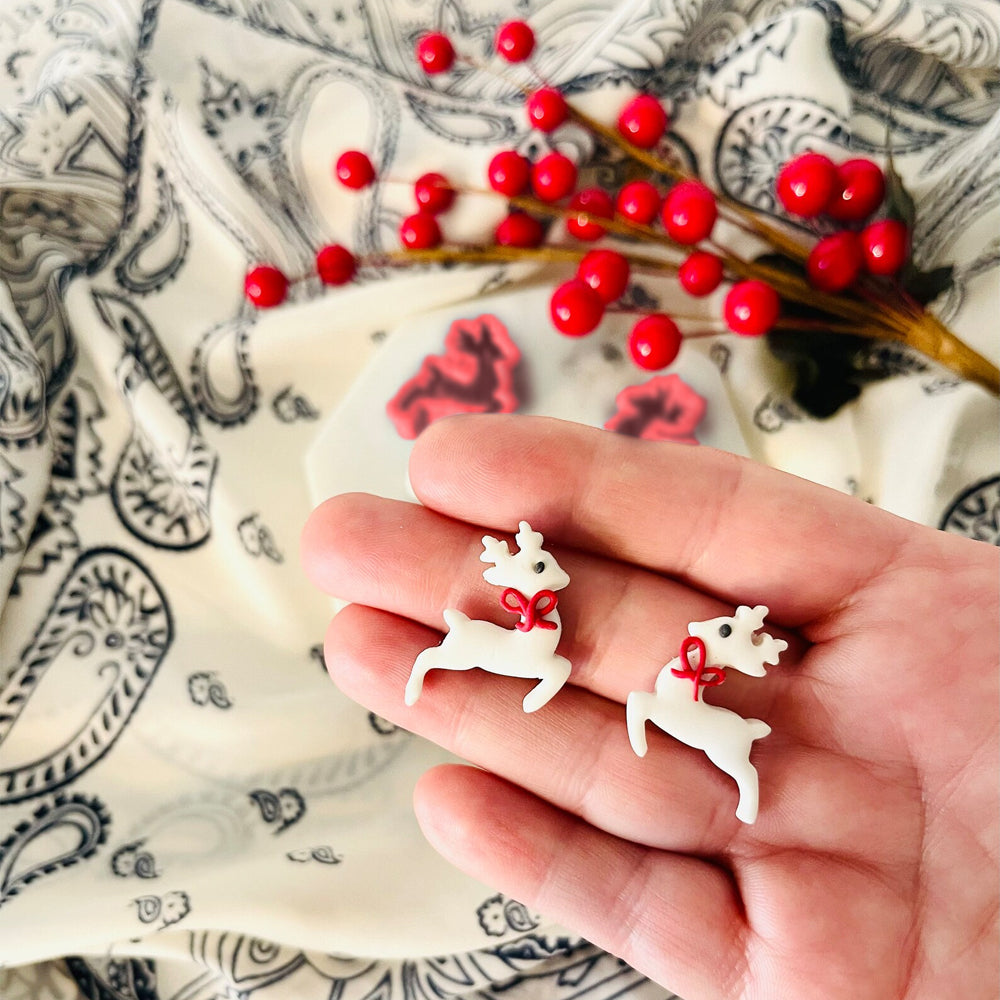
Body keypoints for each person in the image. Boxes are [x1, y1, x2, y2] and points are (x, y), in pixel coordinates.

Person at [300, 414, 999, 1000]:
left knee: (710, 740)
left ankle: (741, 780)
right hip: (612, 674)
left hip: (684, 702)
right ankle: (428, 667)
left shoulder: (673, 658)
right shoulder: (549, 620)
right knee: (500, 667)